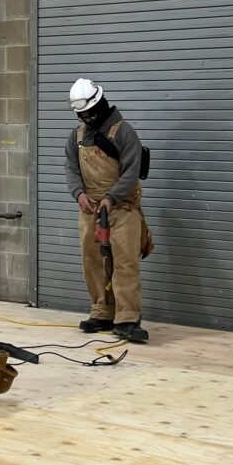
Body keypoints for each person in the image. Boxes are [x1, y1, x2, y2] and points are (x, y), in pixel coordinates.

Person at [65, 77, 150, 344]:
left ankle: (127, 318)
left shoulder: (124, 132)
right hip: (90, 209)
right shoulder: (77, 137)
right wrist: (79, 194)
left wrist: (111, 198)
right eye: (81, 115)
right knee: (93, 260)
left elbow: (132, 171)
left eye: (89, 113)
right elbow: (71, 169)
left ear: (99, 103)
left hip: (122, 207)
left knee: (124, 261)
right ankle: (102, 311)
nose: (86, 119)